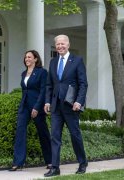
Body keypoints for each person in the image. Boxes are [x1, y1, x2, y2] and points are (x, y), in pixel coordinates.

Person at [44, 35, 88, 177]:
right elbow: (49, 85)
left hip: (71, 105)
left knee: (75, 135)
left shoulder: (77, 61)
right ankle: (55, 168)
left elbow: (83, 84)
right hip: (56, 106)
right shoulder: (53, 62)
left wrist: (79, 101)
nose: (60, 46)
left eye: (63, 43)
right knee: (55, 137)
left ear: (68, 45)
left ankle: (82, 162)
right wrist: (47, 101)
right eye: (57, 44)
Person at [9, 50, 52, 171]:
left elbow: (43, 91)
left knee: (43, 133)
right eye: (25, 57)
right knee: (20, 132)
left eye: (29, 57)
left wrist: (37, 107)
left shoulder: (42, 72)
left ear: (35, 59)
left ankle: (50, 160)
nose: (27, 59)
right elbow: (25, 90)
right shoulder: (23, 73)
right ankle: (18, 162)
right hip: (24, 106)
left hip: (36, 106)